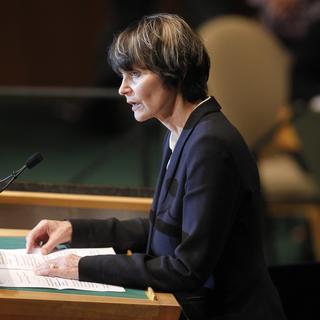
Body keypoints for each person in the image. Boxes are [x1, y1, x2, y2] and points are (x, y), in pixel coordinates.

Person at [26, 13, 286, 319]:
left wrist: (81, 267)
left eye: (134, 74)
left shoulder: (211, 145)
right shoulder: (181, 132)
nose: (122, 89)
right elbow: (163, 230)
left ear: (176, 72)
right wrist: (74, 230)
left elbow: (187, 268)